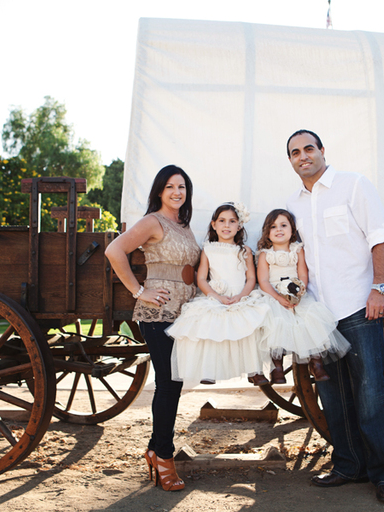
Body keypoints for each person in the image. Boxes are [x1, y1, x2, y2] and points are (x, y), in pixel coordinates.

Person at [285, 130, 384, 504]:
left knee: (370, 394)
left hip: (357, 304)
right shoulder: (294, 205)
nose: (302, 156)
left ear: (322, 151)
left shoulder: (353, 186)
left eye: (308, 148)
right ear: (290, 161)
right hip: (318, 314)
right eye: (294, 153)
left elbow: (379, 236)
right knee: (332, 394)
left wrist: (378, 287)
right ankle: (348, 465)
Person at [105, 164, 200, 492]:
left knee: (174, 382)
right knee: (169, 384)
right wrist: (138, 290)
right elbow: (114, 250)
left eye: (182, 187)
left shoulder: (183, 224)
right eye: (171, 186)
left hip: (183, 311)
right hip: (158, 314)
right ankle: (164, 458)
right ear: (159, 191)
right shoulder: (152, 222)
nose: (177, 192)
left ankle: (153, 448)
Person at [166, 202, 271, 385]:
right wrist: (217, 296)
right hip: (216, 296)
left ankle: (254, 369)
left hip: (240, 295)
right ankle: (209, 370)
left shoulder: (244, 251)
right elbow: (202, 280)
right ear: (214, 224)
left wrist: (241, 296)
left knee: (250, 319)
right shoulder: (208, 249)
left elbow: (251, 279)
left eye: (232, 221)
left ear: (239, 226)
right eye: (222, 221)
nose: (227, 226)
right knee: (208, 320)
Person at [256, 209, 350, 384]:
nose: (279, 230)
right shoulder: (265, 254)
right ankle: (277, 367)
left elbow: (303, 276)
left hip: (297, 294)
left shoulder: (297, 250)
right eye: (273, 227)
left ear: (292, 230)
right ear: (267, 233)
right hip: (274, 296)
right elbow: (263, 281)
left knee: (310, 320)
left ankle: (316, 362)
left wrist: (298, 293)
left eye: (284, 225)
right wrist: (278, 298)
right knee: (276, 322)